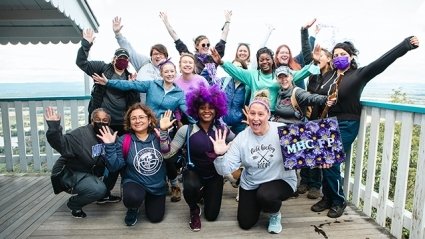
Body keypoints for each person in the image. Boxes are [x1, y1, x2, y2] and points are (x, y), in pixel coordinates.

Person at [310, 36, 419, 218]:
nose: (339, 57)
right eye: (335, 55)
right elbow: (314, 86)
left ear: (351, 57)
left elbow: (381, 62)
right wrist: (314, 60)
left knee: (331, 161)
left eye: (343, 54)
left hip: (347, 123)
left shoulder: (359, 74)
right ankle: (327, 197)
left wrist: (405, 45)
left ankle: (338, 200)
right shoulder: (328, 76)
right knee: (324, 162)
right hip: (327, 123)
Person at [92, 60, 190, 202]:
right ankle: (137, 184)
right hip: (145, 127)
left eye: (172, 71)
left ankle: (174, 185)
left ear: (176, 73)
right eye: (166, 71)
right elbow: (130, 85)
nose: (169, 74)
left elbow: (187, 111)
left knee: (167, 157)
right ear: (161, 73)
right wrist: (108, 82)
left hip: (163, 129)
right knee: (139, 155)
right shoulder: (152, 85)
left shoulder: (179, 93)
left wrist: (204, 123)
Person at [212, 90, 297, 234]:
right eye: (252, 113)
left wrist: (321, 160)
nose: (255, 118)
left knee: (266, 195)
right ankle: (260, 202)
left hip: (281, 180)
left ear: (268, 115)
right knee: (245, 223)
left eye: (260, 114)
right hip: (252, 183)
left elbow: (305, 151)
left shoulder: (283, 130)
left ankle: (274, 214)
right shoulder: (241, 138)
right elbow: (224, 169)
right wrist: (220, 155)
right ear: (247, 114)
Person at [76, 28, 139, 203]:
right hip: (103, 123)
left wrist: (132, 86)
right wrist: (86, 45)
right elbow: (81, 62)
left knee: (118, 158)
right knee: (99, 158)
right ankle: (97, 190)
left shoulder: (129, 77)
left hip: (123, 125)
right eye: (119, 58)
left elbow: (133, 103)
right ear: (113, 59)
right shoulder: (103, 68)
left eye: (125, 59)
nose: (122, 61)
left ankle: (106, 191)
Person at [162, 83, 234, 232]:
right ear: (196, 109)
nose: (206, 111)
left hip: (215, 175)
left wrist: (227, 149)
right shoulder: (186, 130)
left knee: (212, 216)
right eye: (202, 107)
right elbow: (167, 154)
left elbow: (239, 144)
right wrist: (163, 133)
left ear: (217, 109)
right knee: (191, 186)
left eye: (210, 107)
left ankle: (205, 194)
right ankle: (194, 209)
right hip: (193, 172)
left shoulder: (223, 130)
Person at [97, 104, 175, 226]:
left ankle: (150, 198)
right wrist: (110, 146)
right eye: (133, 118)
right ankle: (133, 208)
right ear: (129, 122)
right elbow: (114, 167)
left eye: (141, 117)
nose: (137, 121)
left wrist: (164, 132)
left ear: (149, 120)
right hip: (135, 182)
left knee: (155, 218)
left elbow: (166, 152)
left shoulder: (158, 135)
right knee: (132, 198)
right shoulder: (124, 140)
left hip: (157, 185)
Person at [45, 107, 112, 218]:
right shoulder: (81, 134)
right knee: (98, 189)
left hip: (90, 169)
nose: (101, 122)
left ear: (109, 122)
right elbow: (61, 143)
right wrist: (54, 127)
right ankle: (74, 204)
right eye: (97, 119)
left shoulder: (109, 133)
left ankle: (104, 195)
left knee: (115, 165)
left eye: (105, 120)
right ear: (91, 120)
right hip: (70, 172)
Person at [210, 46, 320, 112]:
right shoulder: (252, 75)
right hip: (256, 114)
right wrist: (221, 62)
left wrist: (314, 62)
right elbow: (236, 71)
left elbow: (302, 73)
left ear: (272, 60)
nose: (264, 62)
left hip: (274, 114)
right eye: (261, 60)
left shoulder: (281, 74)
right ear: (258, 62)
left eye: (267, 59)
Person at [159, 11, 232, 85]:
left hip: (211, 90)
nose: (206, 46)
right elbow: (176, 39)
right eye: (203, 45)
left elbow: (223, 38)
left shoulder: (213, 57)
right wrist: (166, 22)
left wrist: (228, 20)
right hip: (195, 89)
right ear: (197, 46)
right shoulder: (191, 58)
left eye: (208, 44)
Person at [112, 16, 169, 103]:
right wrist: (118, 34)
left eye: (161, 54)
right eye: (155, 54)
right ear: (151, 56)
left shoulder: (170, 70)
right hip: (142, 108)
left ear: (166, 57)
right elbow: (130, 51)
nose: (158, 56)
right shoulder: (144, 62)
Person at [274, 18, 318, 89]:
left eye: (287, 53)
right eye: (282, 52)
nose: (284, 54)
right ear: (277, 56)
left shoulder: (296, 62)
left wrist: (308, 32)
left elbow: (306, 51)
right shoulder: (273, 68)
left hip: (299, 97)